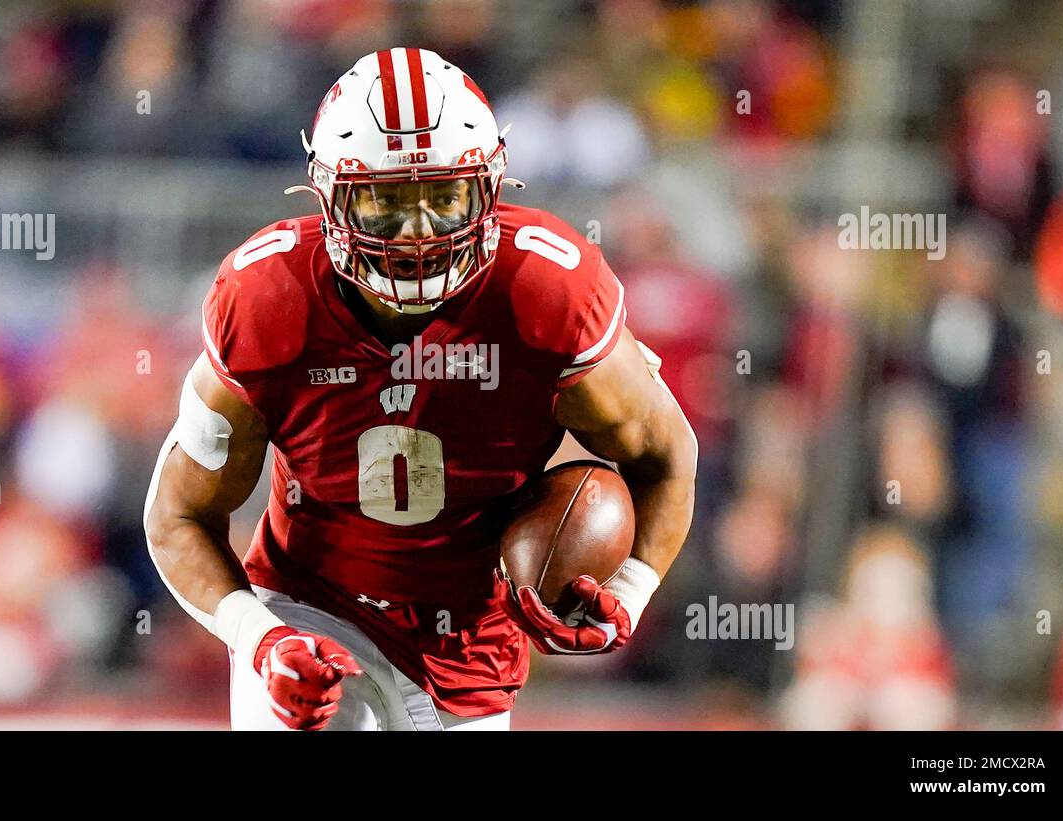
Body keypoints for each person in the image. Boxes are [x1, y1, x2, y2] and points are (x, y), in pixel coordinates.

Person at [143, 48, 697, 730]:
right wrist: (262, 639)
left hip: (470, 638)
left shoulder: (549, 292)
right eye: (385, 200)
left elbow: (666, 453)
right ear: (328, 195)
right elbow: (177, 516)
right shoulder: (266, 299)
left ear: (489, 187)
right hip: (312, 604)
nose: (418, 234)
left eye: (443, 196)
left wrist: (631, 592)